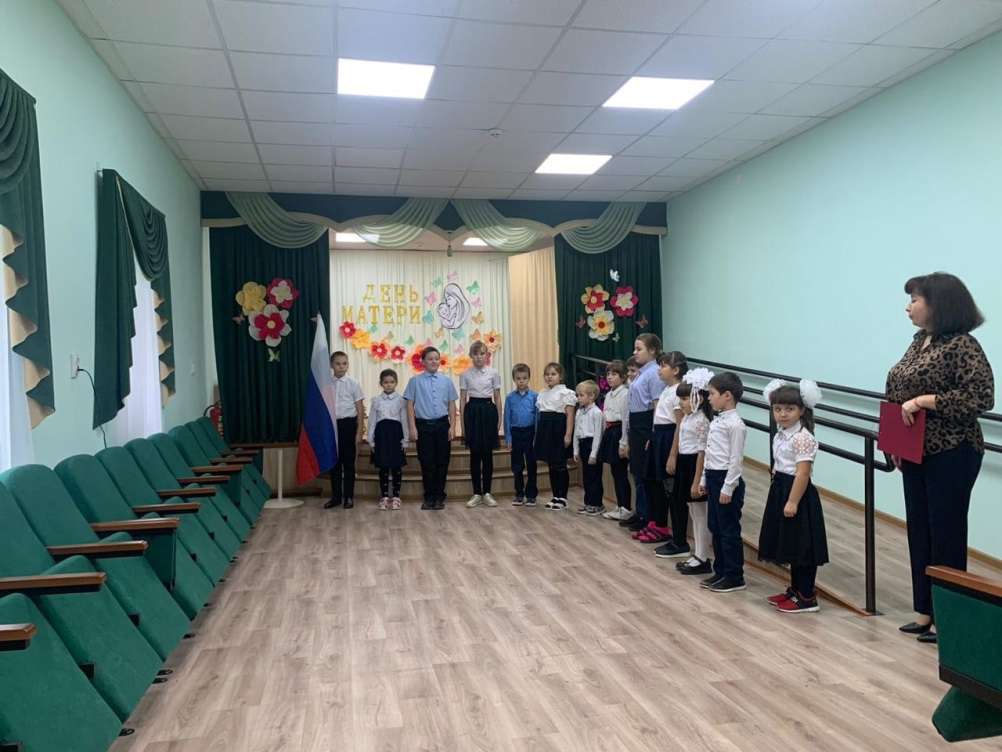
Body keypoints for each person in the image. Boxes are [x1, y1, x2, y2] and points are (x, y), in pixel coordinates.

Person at [886, 272, 994, 643]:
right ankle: (924, 610)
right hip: (914, 450)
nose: (908, 307)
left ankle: (950, 619)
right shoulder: (919, 341)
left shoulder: (963, 345)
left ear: (938, 304)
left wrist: (925, 400)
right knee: (919, 530)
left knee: (946, 533)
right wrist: (895, 441)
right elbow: (897, 392)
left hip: (952, 450)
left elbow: (980, 397)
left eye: (914, 299)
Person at [758, 379, 830, 614]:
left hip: (797, 492)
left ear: (801, 411)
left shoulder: (802, 437)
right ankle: (795, 589)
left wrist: (792, 501)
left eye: (789, 409)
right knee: (790, 541)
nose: (782, 414)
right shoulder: (782, 434)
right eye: (778, 409)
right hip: (781, 488)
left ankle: (807, 596)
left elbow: (803, 473)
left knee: (802, 545)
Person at [659, 369, 713, 570]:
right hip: (684, 463)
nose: (681, 403)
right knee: (693, 512)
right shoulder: (688, 418)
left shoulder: (702, 420)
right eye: (680, 398)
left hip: (694, 466)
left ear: (700, 398)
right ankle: (698, 554)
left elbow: (702, 452)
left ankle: (703, 557)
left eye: (684, 399)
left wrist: (697, 480)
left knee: (700, 514)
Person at [699, 371, 748, 594]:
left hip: (727, 480)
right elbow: (710, 454)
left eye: (712, 394)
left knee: (728, 530)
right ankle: (720, 571)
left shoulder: (736, 425)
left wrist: (728, 486)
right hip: (713, 476)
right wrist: (704, 478)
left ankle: (734, 575)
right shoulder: (718, 420)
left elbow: (736, 460)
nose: (708, 398)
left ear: (727, 395)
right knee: (715, 527)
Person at [637, 351, 686, 544]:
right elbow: (659, 417)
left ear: (676, 370)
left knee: (664, 484)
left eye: (664, 366)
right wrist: (652, 436)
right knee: (652, 482)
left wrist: (673, 454)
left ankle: (662, 527)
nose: (659, 370)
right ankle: (655, 522)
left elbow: (679, 425)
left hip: (668, 437)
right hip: (658, 436)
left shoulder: (679, 391)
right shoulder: (667, 389)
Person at [404, 347, 458, 511]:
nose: (434, 361)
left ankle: (439, 497)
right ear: (423, 362)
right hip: (423, 427)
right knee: (427, 462)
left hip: (442, 425)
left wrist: (453, 426)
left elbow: (451, 404)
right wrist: (412, 427)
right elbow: (409, 405)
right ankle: (428, 497)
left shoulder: (446, 381)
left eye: (436, 358)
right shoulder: (415, 381)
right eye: (430, 359)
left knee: (442, 462)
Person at [625, 335, 662, 531]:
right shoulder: (642, 372)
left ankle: (647, 516)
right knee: (637, 471)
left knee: (644, 472)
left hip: (645, 423)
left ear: (652, 350)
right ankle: (640, 511)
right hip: (636, 422)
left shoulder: (654, 373)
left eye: (639, 349)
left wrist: (652, 433)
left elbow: (657, 405)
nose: (635, 352)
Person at [460, 341, 502, 508]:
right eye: (476, 354)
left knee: (487, 454)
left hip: (488, 411)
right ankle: (477, 493)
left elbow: (497, 397)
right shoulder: (465, 374)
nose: (479, 357)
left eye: (482, 353)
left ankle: (487, 493)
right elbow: (462, 399)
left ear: (487, 355)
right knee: (475, 454)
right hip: (472, 412)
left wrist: (499, 419)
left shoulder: (493, 373)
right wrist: (463, 425)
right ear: (471, 356)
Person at [325, 350, 364, 510]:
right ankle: (336, 497)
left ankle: (348, 497)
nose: (341, 367)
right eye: (338, 364)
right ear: (331, 365)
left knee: (348, 463)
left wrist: (359, 431)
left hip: (348, 425)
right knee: (334, 463)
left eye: (344, 363)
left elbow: (360, 409)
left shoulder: (353, 383)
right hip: (331, 425)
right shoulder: (327, 383)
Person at [534, 362, 576, 511]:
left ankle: (563, 497)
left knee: (560, 464)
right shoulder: (542, 393)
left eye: (553, 374)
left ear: (561, 376)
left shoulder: (567, 393)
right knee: (551, 464)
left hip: (558, 429)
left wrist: (568, 434)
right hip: (545, 430)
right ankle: (555, 495)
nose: (549, 377)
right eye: (547, 374)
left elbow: (570, 416)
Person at [368, 369, 409, 511]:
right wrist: (371, 439)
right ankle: (384, 496)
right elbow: (372, 421)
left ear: (396, 383)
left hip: (396, 435)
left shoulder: (401, 401)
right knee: (383, 466)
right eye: (385, 382)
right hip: (381, 436)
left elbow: (404, 421)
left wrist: (405, 439)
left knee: (396, 466)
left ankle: (396, 497)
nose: (389, 385)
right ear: (381, 383)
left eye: (392, 382)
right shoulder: (376, 401)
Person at [600, 360, 632, 520]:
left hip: (619, 431)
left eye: (614, 374)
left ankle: (625, 507)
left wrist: (623, 442)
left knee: (620, 472)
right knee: (615, 471)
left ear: (623, 377)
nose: (610, 377)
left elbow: (626, 419)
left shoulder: (625, 394)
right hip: (610, 430)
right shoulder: (609, 395)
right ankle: (620, 505)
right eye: (608, 374)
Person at [504, 364, 538, 507]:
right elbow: (507, 419)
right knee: (517, 466)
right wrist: (508, 438)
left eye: (524, 378)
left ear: (529, 378)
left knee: (531, 465)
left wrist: (536, 437)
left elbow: (537, 418)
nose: (521, 381)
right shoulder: (510, 398)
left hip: (530, 433)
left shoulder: (535, 396)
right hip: (516, 433)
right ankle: (519, 494)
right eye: (518, 378)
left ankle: (531, 495)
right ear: (514, 379)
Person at [573, 380, 605, 516]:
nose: (578, 398)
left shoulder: (597, 413)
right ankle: (588, 503)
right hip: (583, 444)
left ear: (591, 396)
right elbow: (576, 432)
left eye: (581, 395)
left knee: (594, 477)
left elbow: (598, 435)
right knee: (586, 477)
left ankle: (597, 504)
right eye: (577, 395)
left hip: (592, 445)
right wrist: (575, 450)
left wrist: (593, 454)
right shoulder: (579, 412)